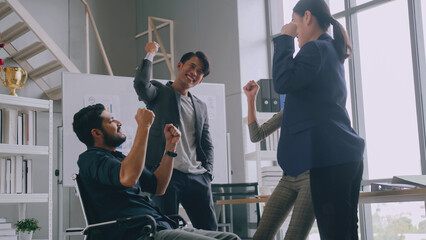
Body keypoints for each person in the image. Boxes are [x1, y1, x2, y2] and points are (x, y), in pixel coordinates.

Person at [72, 103, 240, 240]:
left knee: (231, 238)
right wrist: (144, 127)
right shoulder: (90, 159)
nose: (119, 123)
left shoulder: (119, 158)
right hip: (139, 233)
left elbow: (158, 186)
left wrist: (170, 146)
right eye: (111, 121)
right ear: (96, 133)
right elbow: (128, 178)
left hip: (160, 226)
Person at [272, 0, 365, 239]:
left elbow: (283, 82)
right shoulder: (331, 50)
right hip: (345, 155)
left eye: (295, 22)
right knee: (344, 232)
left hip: (330, 159)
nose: (295, 31)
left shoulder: (314, 50)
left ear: (308, 17)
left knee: (336, 234)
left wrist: (284, 39)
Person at [133, 42, 217, 231]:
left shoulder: (201, 106)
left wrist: (208, 173)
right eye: (192, 66)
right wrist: (150, 54)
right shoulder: (160, 92)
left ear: (201, 80)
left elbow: (206, 143)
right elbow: (140, 84)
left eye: (200, 71)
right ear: (180, 66)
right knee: (166, 230)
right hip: (166, 175)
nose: (194, 72)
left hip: (198, 177)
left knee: (210, 230)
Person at [243, 80, 315, 240]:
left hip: (311, 178)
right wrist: (251, 98)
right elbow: (256, 135)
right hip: (287, 179)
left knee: (293, 236)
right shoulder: (288, 110)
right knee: (260, 236)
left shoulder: (318, 106)